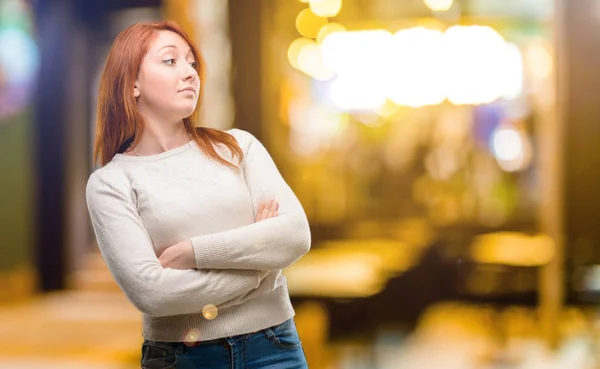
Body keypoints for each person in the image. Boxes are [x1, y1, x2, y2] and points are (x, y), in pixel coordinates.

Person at [85, 21, 311, 369]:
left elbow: (295, 235)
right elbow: (153, 293)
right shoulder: (111, 183)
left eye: (192, 62)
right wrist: (260, 266)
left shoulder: (237, 147)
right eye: (170, 61)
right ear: (132, 83)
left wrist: (195, 253)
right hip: (181, 358)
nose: (190, 72)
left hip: (274, 346)